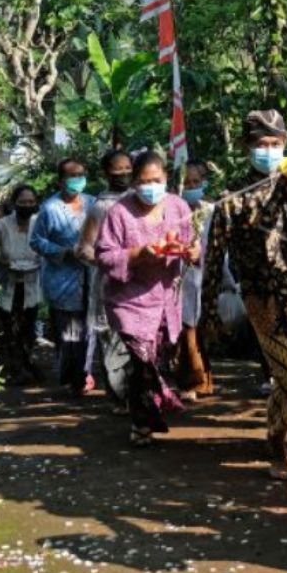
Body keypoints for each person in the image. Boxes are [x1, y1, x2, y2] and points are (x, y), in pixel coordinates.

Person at [200, 110, 287, 480]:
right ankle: (277, 443)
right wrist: (208, 313)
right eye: (262, 144)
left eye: (276, 144)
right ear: (247, 147)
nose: (270, 151)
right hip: (262, 299)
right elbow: (212, 258)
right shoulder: (232, 199)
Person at [94, 151, 197, 446]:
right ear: (134, 182)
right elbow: (104, 256)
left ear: (166, 178)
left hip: (166, 299)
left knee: (156, 358)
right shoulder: (119, 212)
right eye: (143, 181)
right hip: (130, 300)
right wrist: (139, 253)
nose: (150, 186)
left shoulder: (178, 206)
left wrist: (191, 252)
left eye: (156, 180)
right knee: (141, 361)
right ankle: (143, 420)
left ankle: (147, 409)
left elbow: (191, 244)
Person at [76, 149, 136, 403]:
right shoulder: (100, 207)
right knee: (112, 341)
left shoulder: (142, 201)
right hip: (110, 285)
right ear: (106, 173)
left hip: (141, 286)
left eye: (127, 168)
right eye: (117, 168)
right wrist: (110, 260)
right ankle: (118, 396)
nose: (123, 173)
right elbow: (84, 249)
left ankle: (138, 395)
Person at [31, 158, 95, 396]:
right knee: (70, 331)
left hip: (91, 276)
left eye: (81, 174)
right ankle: (73, 377)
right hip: (63, 280)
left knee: (89, 330)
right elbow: (36, 241)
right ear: (60, 181)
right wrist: (63, 253)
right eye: (72, 176)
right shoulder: (50, 208)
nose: (77, 180)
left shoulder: (92, 203)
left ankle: (85, 372)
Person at [0, 185, 43, 384]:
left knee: (28, 327)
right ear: (14, 204)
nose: (27, 206)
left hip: (32, 283)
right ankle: (15, 369)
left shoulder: (39, 223)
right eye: (22, 202)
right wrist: (4, 263)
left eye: (31, 202)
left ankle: (27, 364)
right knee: (10, 329)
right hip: (8, 284)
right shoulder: (1, 226)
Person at [175, 160, 216, 400]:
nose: (192, 186)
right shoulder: (170, 209)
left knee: (200, 330)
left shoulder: (210, 209)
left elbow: (216, 246)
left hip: (205, 276)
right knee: (186, 331)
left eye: (196, 182)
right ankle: (189, 381)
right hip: (180, 278)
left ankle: (203, 379)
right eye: (187, 182)